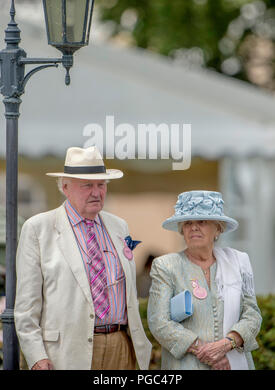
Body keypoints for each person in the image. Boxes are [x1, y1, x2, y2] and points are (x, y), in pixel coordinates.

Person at [14, 146, 152, 370]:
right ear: (65, 187)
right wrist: (36, 355)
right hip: (65, 351)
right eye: (88, 185)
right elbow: (26, 306)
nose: (96, 192)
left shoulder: (119, 226)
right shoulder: (38, 229)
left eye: (101, 185)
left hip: (120, 345)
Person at [147, 190, 262, 370]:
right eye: (188, 223)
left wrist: (227, 344)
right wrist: (209, 353)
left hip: (233, 363)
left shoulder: (238, 263)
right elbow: (158, 321)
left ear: (218, 228)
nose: (194, 227)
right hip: (185, 365)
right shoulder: (166, 266)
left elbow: (252, 314)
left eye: (202, 221)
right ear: (182, 229)